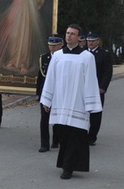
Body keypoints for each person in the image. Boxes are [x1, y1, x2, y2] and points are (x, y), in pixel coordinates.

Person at [40, 24, 102, 179]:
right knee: (63, 136)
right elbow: (50, 78)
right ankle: (65, 163)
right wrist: (47, 100)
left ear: (79, 37)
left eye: (73, 34)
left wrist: (90, 104)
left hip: (78, 102)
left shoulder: (87, 57)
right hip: (60, 102)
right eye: (67, 33)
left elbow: (90, 81)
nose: (69, 36)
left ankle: (68, 167)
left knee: (76, 136)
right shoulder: (58, 55)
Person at [36, 34, 63, 152]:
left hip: (59, 92)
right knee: (44, 119)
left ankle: (56, 140)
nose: (52, 48)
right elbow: (40, 77)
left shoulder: (65, 57)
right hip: (46, 92)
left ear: (61, 45)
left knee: (58, 118)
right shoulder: (44, 58)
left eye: (55, 45)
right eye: (50, 45)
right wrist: (38, 94)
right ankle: (44, 144)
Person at [85, 31, 113, 145]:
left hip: (97, 88)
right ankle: (80, 134)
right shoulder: (82, 53)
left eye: (92, 41)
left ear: (98, 41)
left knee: (95, 113)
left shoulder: (104, 54)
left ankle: (92, 137)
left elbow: (107, 72)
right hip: (83, 88)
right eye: (89, 41)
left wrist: (103, 87)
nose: (90, 43)